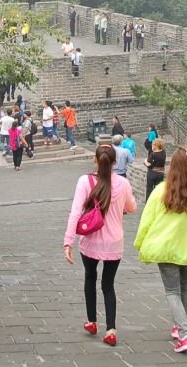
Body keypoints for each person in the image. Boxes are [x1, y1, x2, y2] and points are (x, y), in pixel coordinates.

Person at [134, 147, 187, 354]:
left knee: (172, 291)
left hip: (167, 248)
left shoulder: (161, 191)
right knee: (183, 289)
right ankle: (178, 326)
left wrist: (140, 242)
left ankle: (184, 333)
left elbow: (147, 221)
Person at [64, 144, 138, 347]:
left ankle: (91, 321)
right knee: (108, 285)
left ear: (95, 160)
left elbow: (75, 212)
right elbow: (132, 208)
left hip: (90, 241)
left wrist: (68, 241)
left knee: (90, 277)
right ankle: (111, 330)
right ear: (115, 163)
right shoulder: (123, 183)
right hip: (114, 242)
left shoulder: (85, 181)